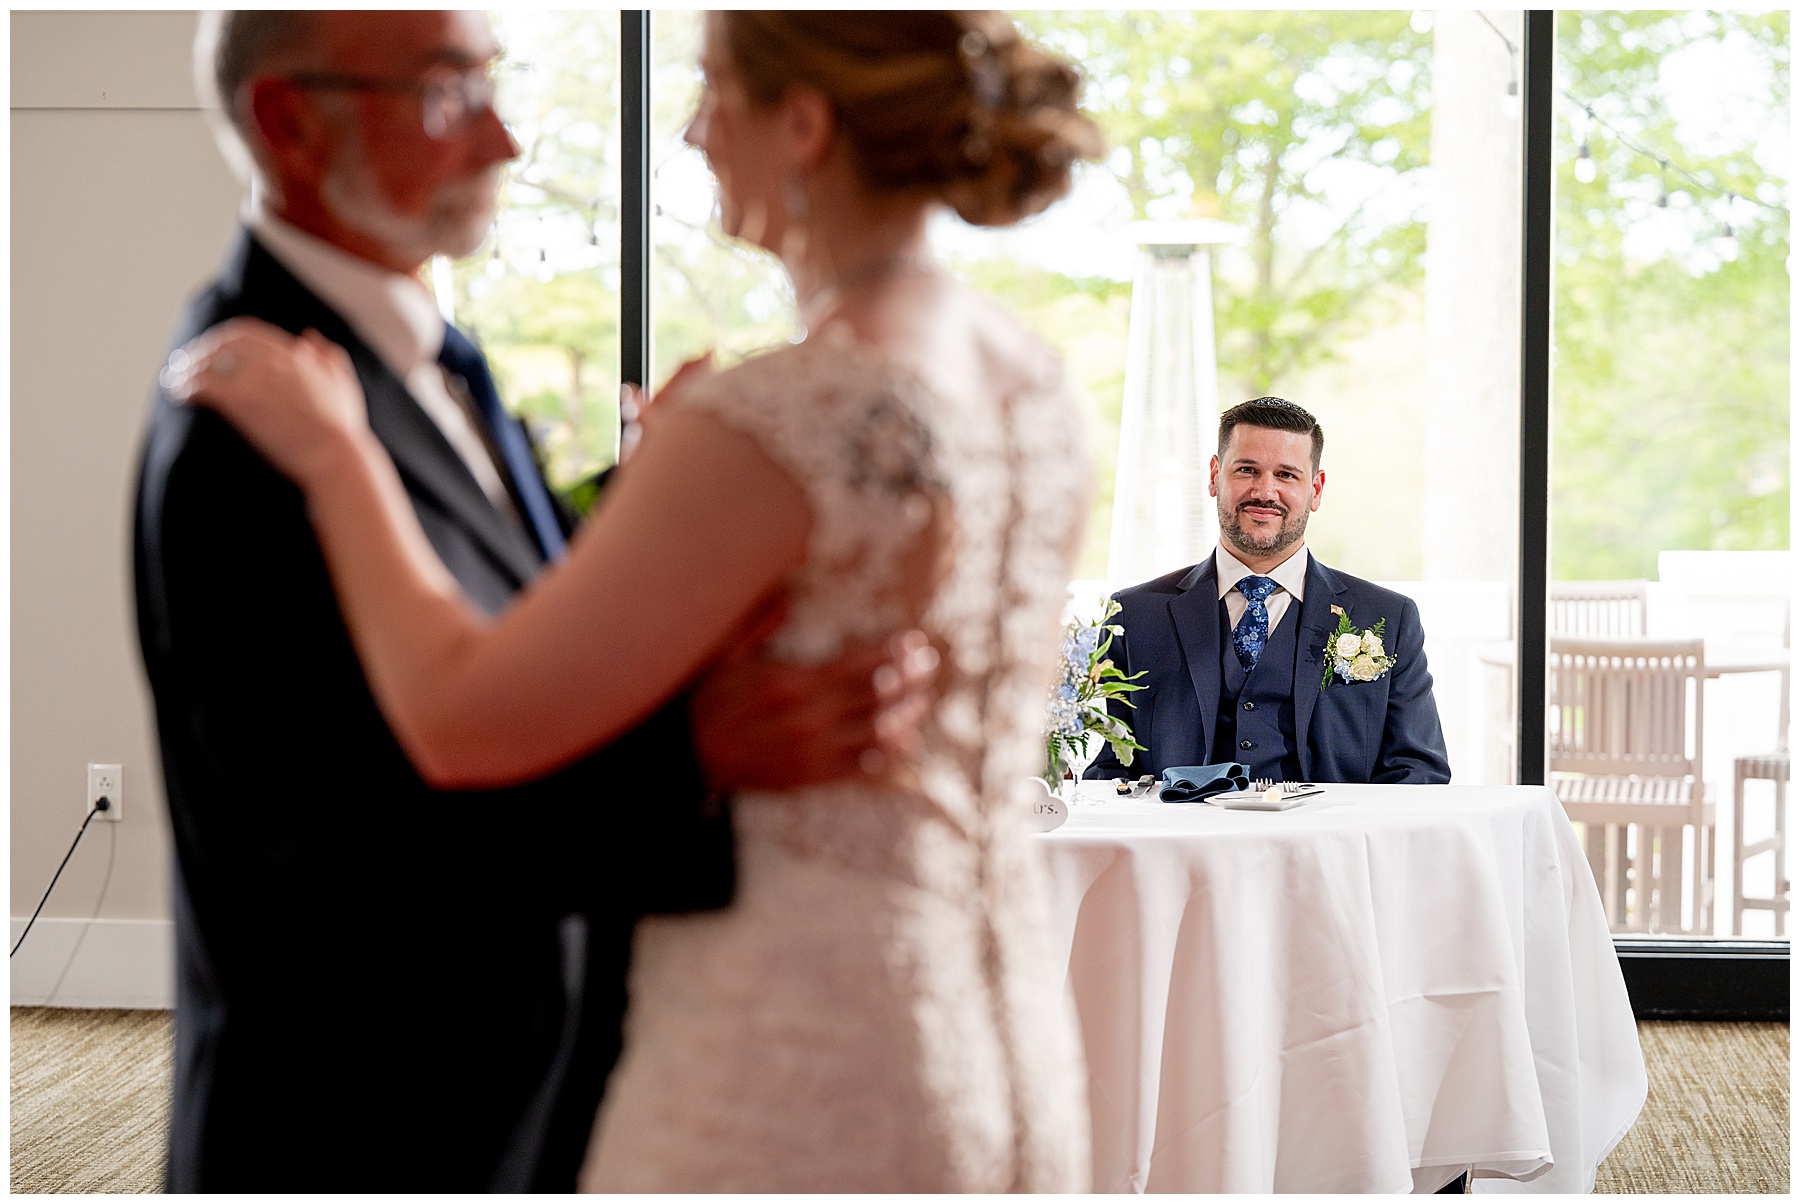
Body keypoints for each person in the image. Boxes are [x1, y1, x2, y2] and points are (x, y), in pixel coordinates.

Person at [168, 9, 1104, 1191]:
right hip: (998, 1042)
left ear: (804, 123)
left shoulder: (785, 412)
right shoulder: (1031, 380)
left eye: (716, 90)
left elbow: (462, 713)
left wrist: (342, 463)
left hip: (785, 1056)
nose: (696, 130)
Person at [1088, 396, 1452, 785]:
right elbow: (1113, 768)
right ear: (1214, 476)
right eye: (1247, 470)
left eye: (1286, 475)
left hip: (1327, 842)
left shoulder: (1387, 618)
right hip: (1185, 842)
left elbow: (1419, 771)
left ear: (1316, 488)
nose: (1264, 492)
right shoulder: (1135, 615)